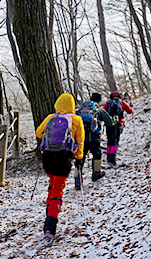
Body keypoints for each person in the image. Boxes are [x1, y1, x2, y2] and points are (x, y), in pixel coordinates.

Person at [35, 93, 84, 241]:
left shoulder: (50, 117)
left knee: (52, 185)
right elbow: (80, 141)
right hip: (64, 158)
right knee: (58, 189)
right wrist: (79, 158)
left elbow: (38, 133)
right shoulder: (76, 119)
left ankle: (48, 213)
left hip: (48, 158)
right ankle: (50, 227)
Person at [74, 92, 105, 190]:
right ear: (99, 101)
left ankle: (77, 181)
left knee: (80, 158)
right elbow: (109, 121)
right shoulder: (99, 110)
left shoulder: (80, 111)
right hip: (94, 139)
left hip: (81, 139)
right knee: (97, 155)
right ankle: (96, 174)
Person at [103, 91, 133, 166]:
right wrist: (131, 106)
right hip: (118, 123)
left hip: (109, 124)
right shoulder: (122, 102)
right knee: (115, 140)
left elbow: (103, 112)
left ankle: (108, 158)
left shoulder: (108, 103)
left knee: (109, 140)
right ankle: (113, 159)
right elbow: (129, 111)